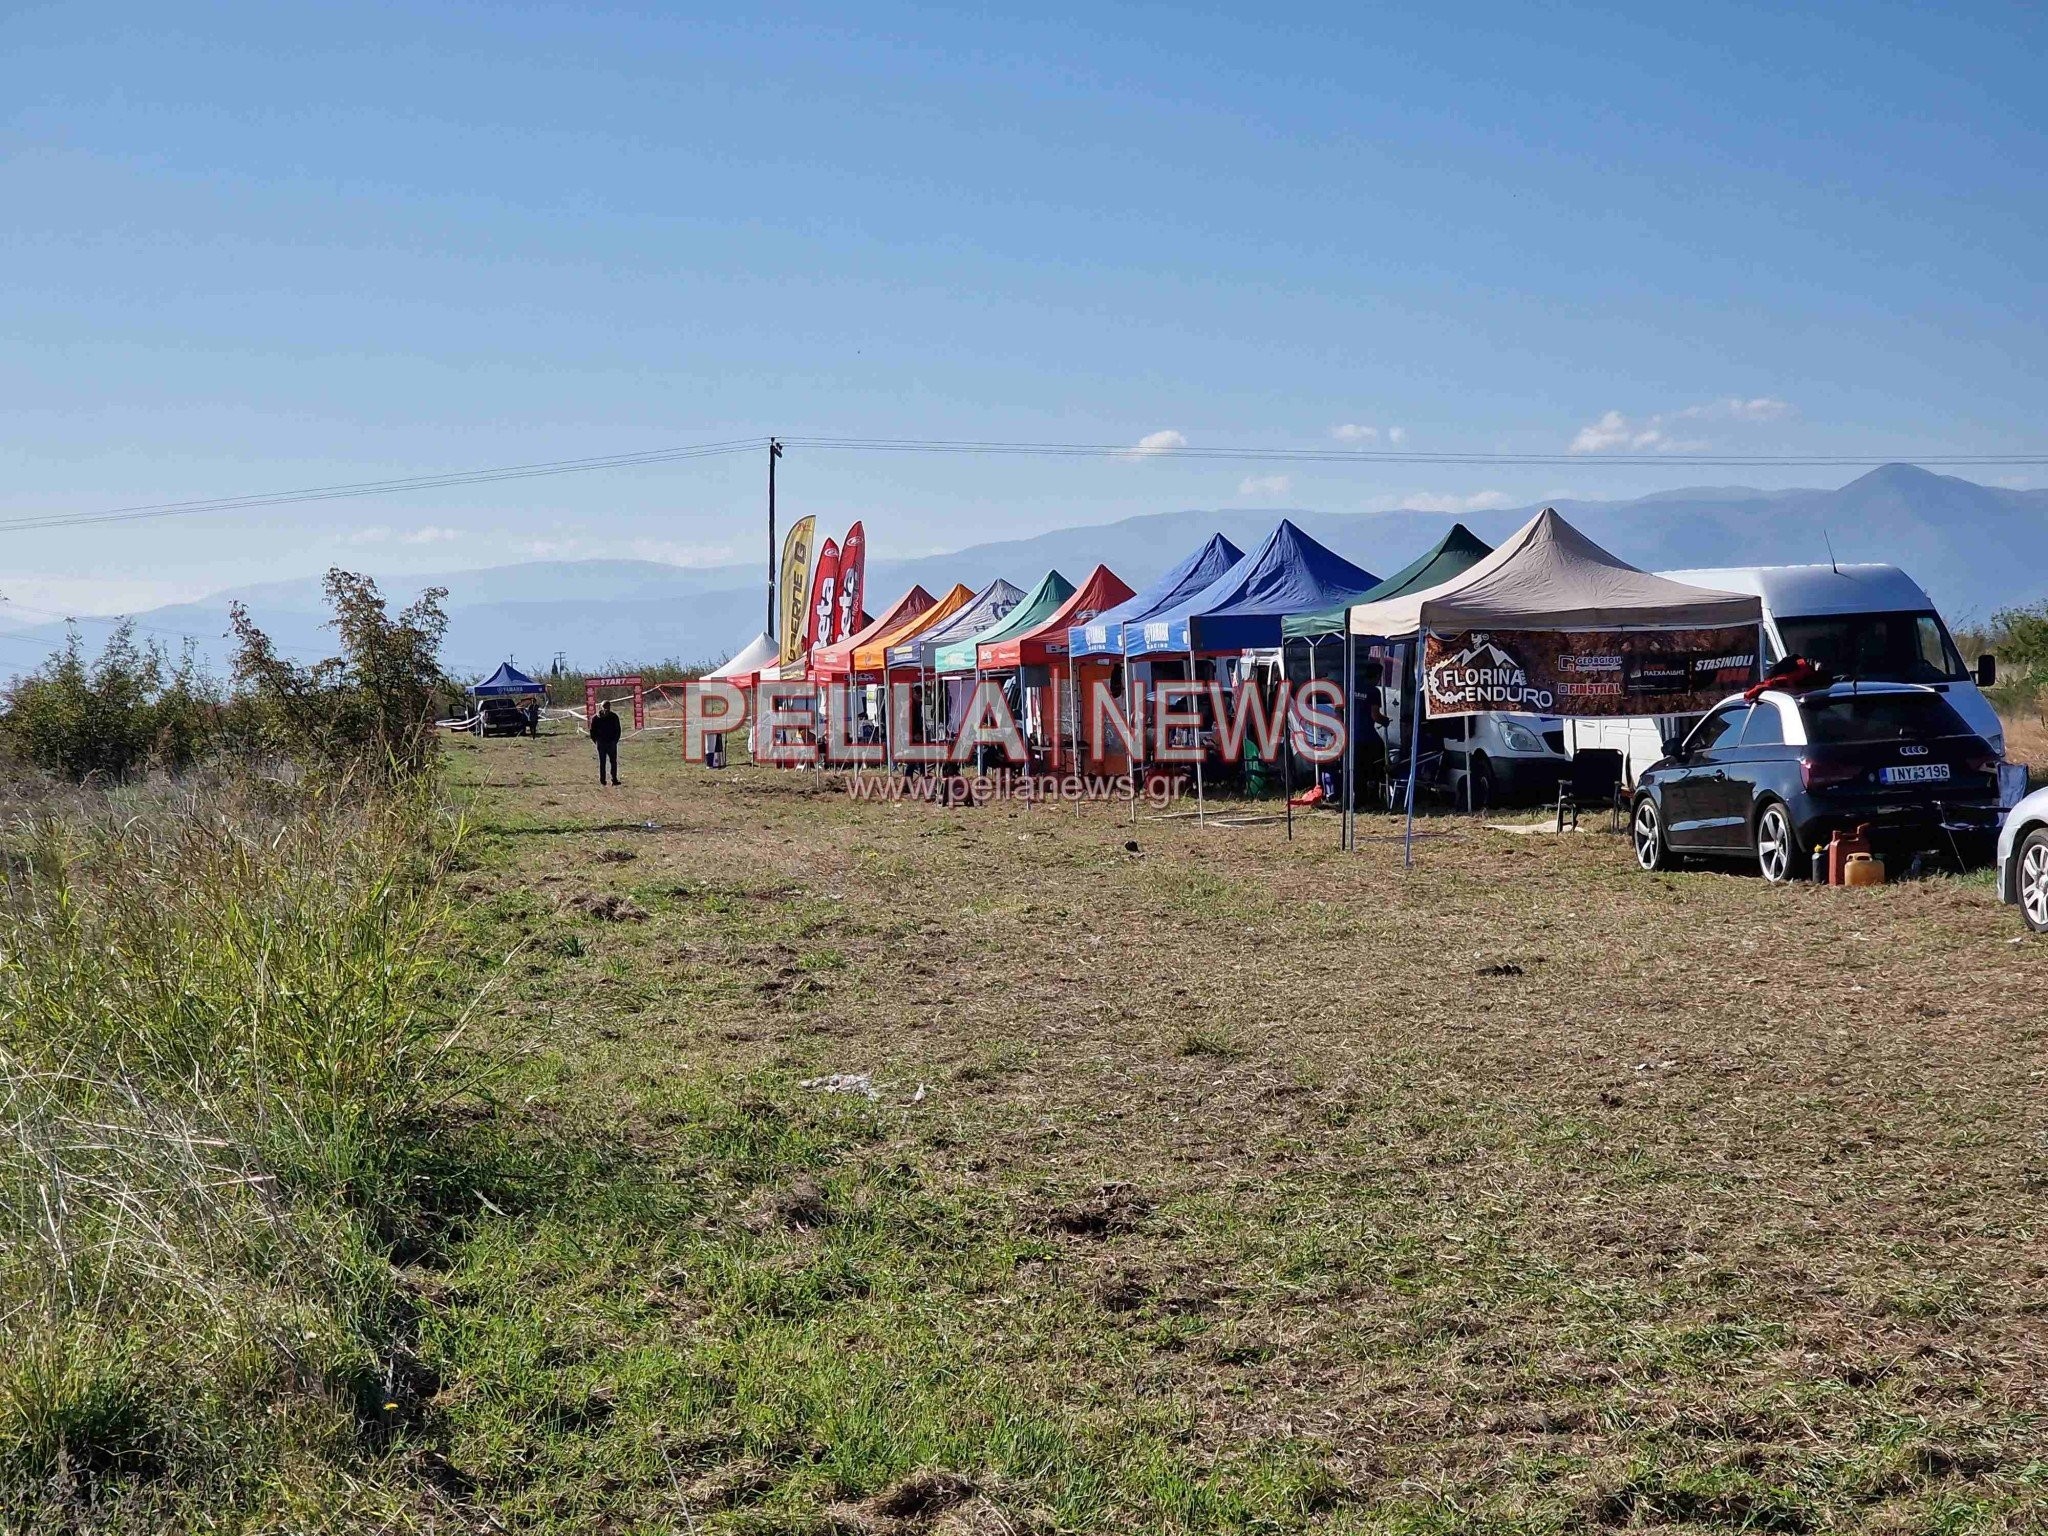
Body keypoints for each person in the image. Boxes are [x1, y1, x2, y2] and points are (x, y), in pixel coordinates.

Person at [590, 699, 622, 785]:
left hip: (611, 742)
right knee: (602, 762)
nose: (606, 709)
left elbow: (618, 730)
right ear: (601, 707)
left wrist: (615, 741)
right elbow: (592, 732)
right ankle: (602, 780)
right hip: (601, 743)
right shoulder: (595, 718)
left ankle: (614, 779)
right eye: (604, 707)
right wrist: (596, 741)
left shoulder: (614, 717)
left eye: (608, 707)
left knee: (613, 762)